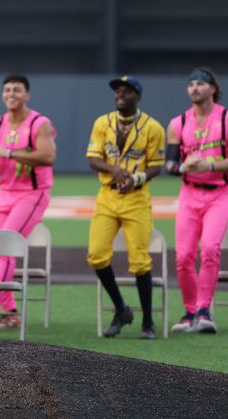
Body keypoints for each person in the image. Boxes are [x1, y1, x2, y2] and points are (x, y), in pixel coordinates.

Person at [0, 74, 56, 329]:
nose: (11, 94)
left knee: (7, 243)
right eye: (7, 90)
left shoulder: (39, 123)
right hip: (5, 192)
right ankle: (11, 310)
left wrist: (6, 152)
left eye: (17, 89)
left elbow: (48, 156)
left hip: (33, 192)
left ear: (27, 95)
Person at [165, 68, 228, 334]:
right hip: (190, 193)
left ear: (213, 88)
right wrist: (183, 167)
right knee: (184, 256)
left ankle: (203, 310)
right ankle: (189, 312)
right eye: (190, 84)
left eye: (200, 83)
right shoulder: (178, 123)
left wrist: (209, 164)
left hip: (220, 193)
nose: (194, 88)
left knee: (210, 248)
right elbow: (170, 163)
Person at [85, 76, 165, 340]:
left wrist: (135, 178)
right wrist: (116, 170)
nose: (120, 94)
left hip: (136, 199)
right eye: (118, 91)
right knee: (96, 254)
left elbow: (156, 165)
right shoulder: (102, 122)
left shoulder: (153, 127)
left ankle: (148, 322)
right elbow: (94, 159)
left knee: (140, 261)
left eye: (126, 91)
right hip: (107, 196)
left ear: (137, 97)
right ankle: (121, 308)